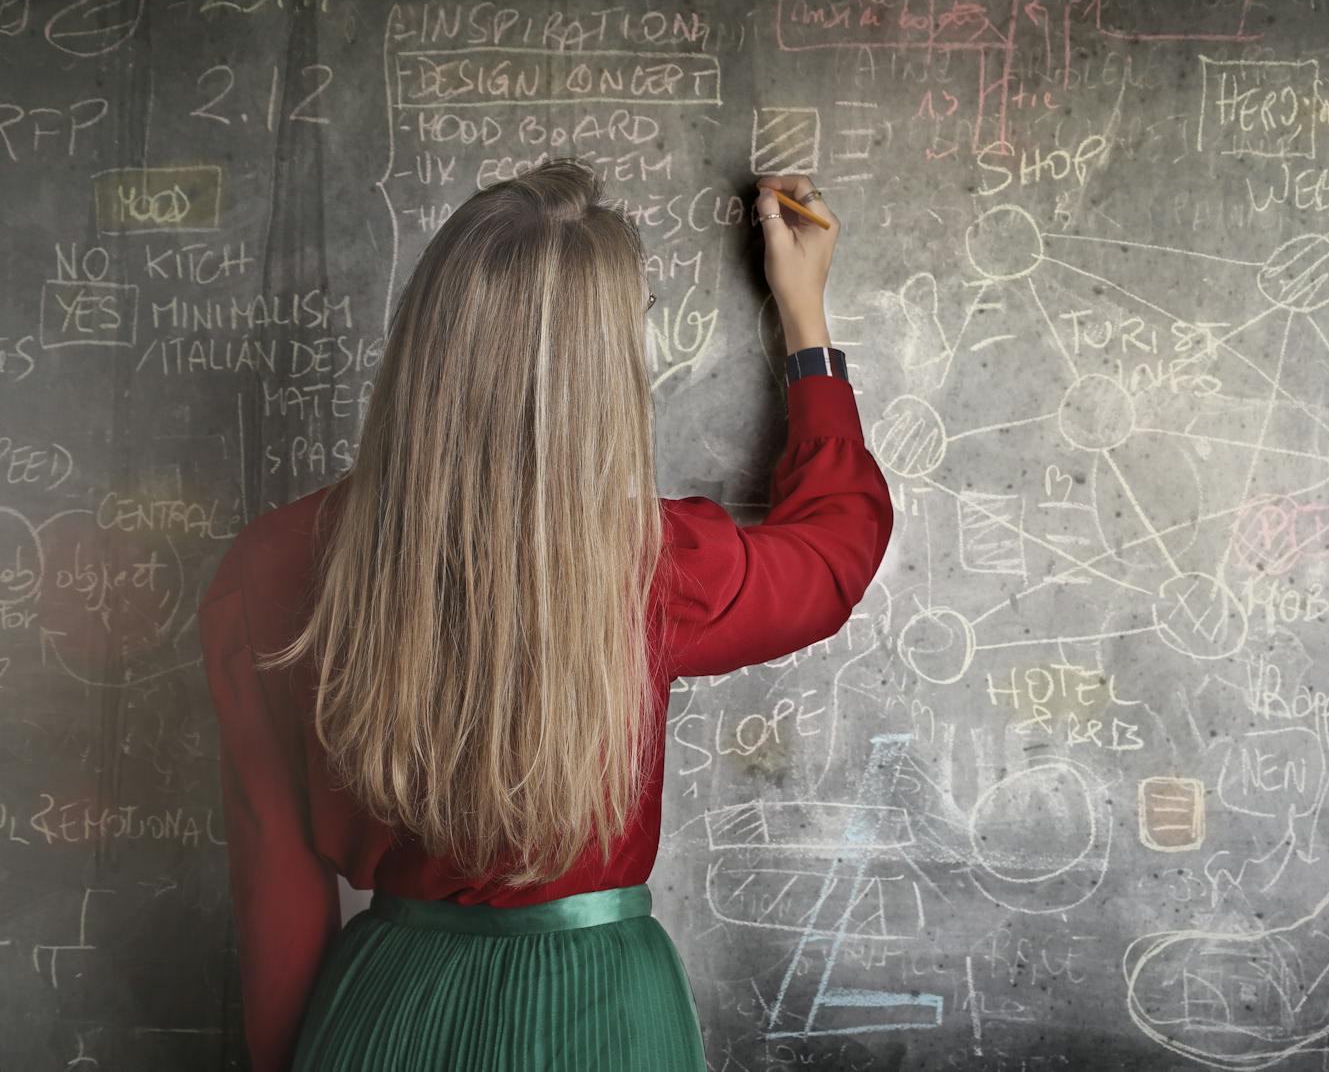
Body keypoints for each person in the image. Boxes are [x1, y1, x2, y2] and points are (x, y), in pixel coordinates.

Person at [195, 160, 893, 1071]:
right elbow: (837, 551)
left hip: (385, 1009)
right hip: (600, 1011)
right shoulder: (658, 566)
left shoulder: (272, 567)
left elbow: (276, 890)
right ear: (604, 369)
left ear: (427, 338)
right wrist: (805, 321)